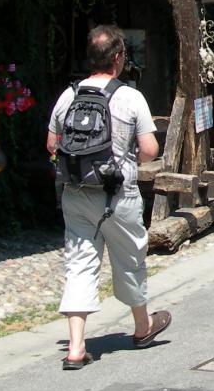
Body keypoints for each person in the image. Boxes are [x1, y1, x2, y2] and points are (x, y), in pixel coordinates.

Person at [47, 25, 170, 370]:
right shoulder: (130, 97)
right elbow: (149, 150)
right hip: (118, 195)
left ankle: (74, 347)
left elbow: (51, 145)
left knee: (80, 263)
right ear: (118, 58)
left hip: (75, 193)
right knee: (130, 258)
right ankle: (143, 328)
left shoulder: (68, 96)